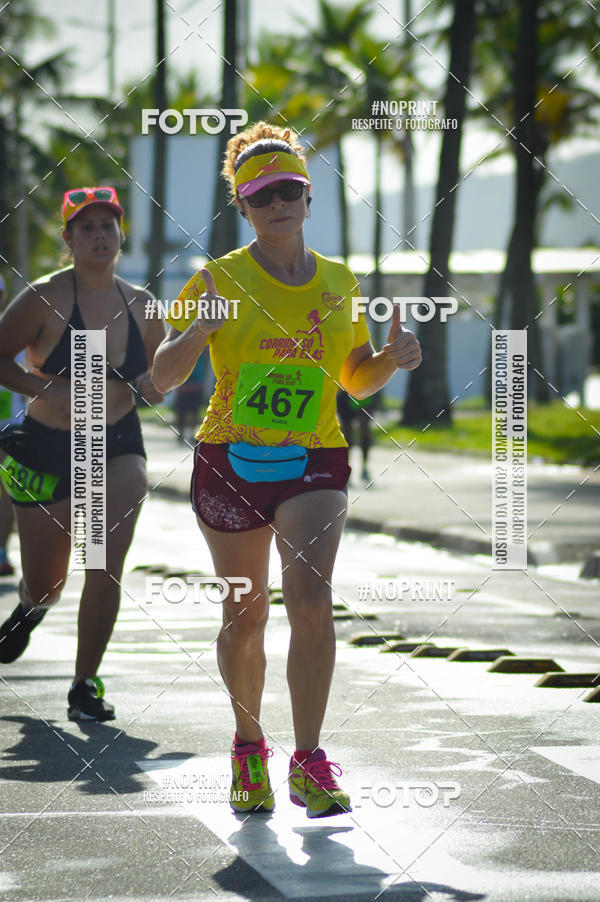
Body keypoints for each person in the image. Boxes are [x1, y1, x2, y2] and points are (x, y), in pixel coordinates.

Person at [152, 122, 421, 818]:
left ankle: (309, 759)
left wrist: (390, 361)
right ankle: (249, 749)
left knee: (309, 600)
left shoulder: (339, 280)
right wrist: (197, 331)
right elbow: (160, 376)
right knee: (245, 615)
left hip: (315, 459)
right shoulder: (216, 279)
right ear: (244, 207)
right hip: (231, 461)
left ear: (308, 197)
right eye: (263, 194)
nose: (279, 203)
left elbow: (354, 378)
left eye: (291, 190)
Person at [0, 186, 165, 720]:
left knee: (103, 563)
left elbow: (162, 372)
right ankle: (29, 608)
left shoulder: (141, 304)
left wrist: (156, 383)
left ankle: (84, 684)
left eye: (108, 226)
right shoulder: (44, 297)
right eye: (87, 227)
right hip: (47, 447)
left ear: (122, 235)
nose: (99, 235)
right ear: (69, 238)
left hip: (115, 444)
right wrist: (39, 388)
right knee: (49, 584)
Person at [336, 389, 381, 482]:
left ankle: (365, 467)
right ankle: (346, 468)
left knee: (364, 428)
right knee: (346, 434)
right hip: (344, 391)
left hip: (367, 389)